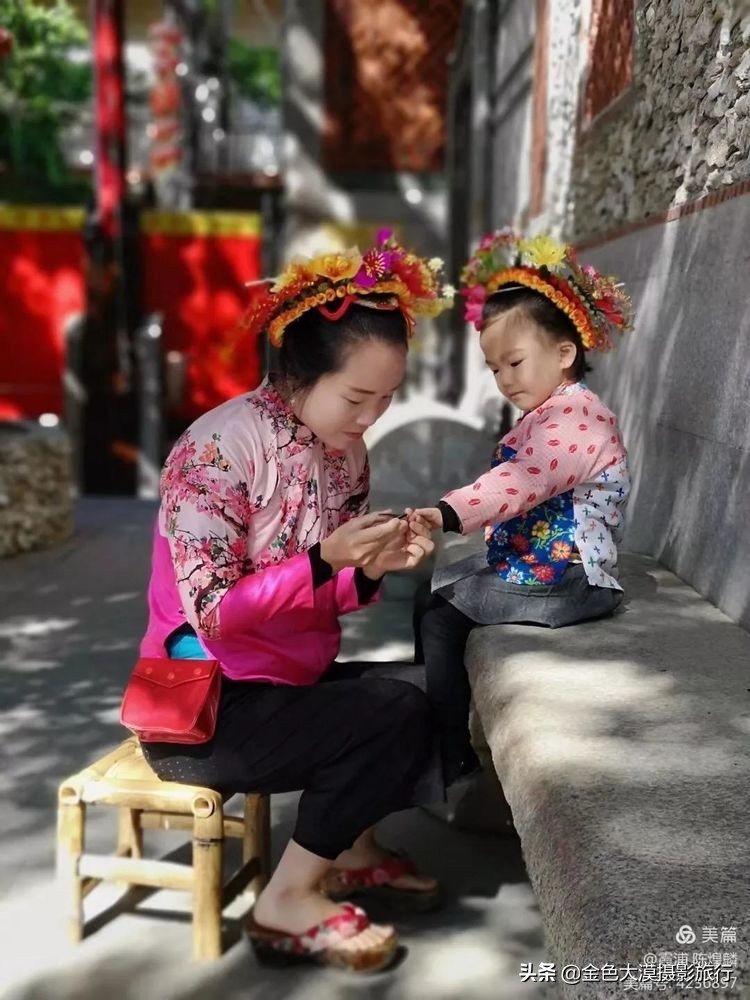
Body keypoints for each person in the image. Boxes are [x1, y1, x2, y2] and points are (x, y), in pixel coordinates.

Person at [137, 231, 453, 972]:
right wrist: (324, 560)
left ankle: (349, 848)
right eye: (356, 396)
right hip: (209, 707)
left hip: (287, 684)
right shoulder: (214, 451)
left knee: (428, 690)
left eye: (386, 397)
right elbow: (213, 611)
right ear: (297, 372)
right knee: (393, 713)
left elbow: (327, 596)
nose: (370, 416)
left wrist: (372, 567)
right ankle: (288, 898)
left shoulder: (343, 450)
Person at [411, 229, 634, 786]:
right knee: (430, 590)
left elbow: (518, 483)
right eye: (495, 369)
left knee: (441, 615)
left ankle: (449, 752)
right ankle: (442, 725)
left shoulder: (578, 419)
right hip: (539, 567)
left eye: (514, 362)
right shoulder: (554, 408)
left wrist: (444, 513)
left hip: (574, 580)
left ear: (565, 354)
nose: (504, 380)